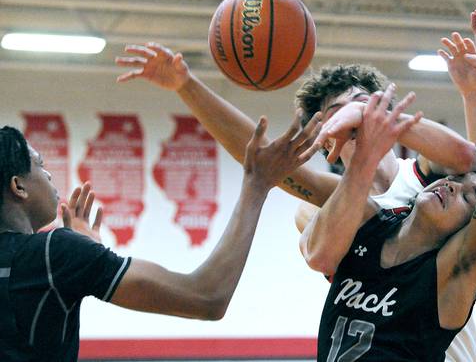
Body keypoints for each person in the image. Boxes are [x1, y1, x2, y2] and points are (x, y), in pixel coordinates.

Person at [115, 44, 476, 360]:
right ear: (325, 135)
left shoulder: (433, 180)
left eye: (358, 104)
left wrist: (471, 94)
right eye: (337, 112)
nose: (351, 116)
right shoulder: (321, 205)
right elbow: (264, 158)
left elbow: (475, 160)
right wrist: (187, 85)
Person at [302, 2, 476, 361]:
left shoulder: (427, 174)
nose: (359, 115)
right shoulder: (329, 208)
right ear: (326, 130)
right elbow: (320, 253)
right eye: (346, 111)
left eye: (364, 104)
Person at [0, 113, 321, 361]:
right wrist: (257, 184)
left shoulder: (55, 259)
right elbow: (207, 296)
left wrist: (85, 264)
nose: (49, 173)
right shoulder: (52, 254)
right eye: (40, 166)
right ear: (19, 186)